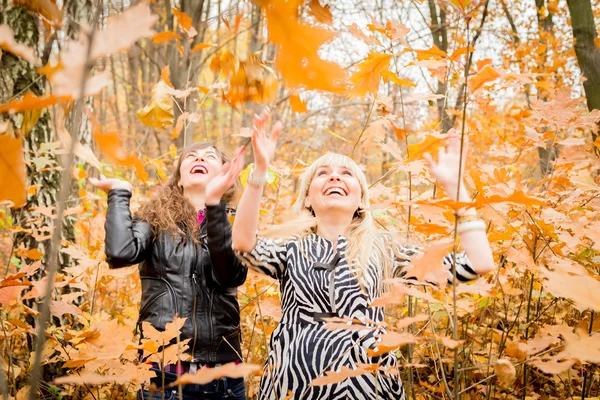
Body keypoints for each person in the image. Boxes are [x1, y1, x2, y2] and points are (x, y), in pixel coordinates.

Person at [231, 109, 495, 399]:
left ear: (360, 199)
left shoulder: (385, 251)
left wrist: (456, 188)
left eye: (346, 174)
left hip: (368, 388)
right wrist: (259, 170)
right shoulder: (291, 247)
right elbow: (244, 242)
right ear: (308, 198)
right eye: (323, 174)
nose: (334, 178)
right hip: (293, 386)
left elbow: (478, 263)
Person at [90, 142, 248, 400]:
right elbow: (120, 254)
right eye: (191, 156)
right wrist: (119, 194)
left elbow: (230, 275)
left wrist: (214, 206)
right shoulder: (155, 217)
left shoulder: (236, 219)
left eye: (210, 156)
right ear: (179, 178)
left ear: (224, 175)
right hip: (163, 372)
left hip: (224, 376)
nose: (199, 158)